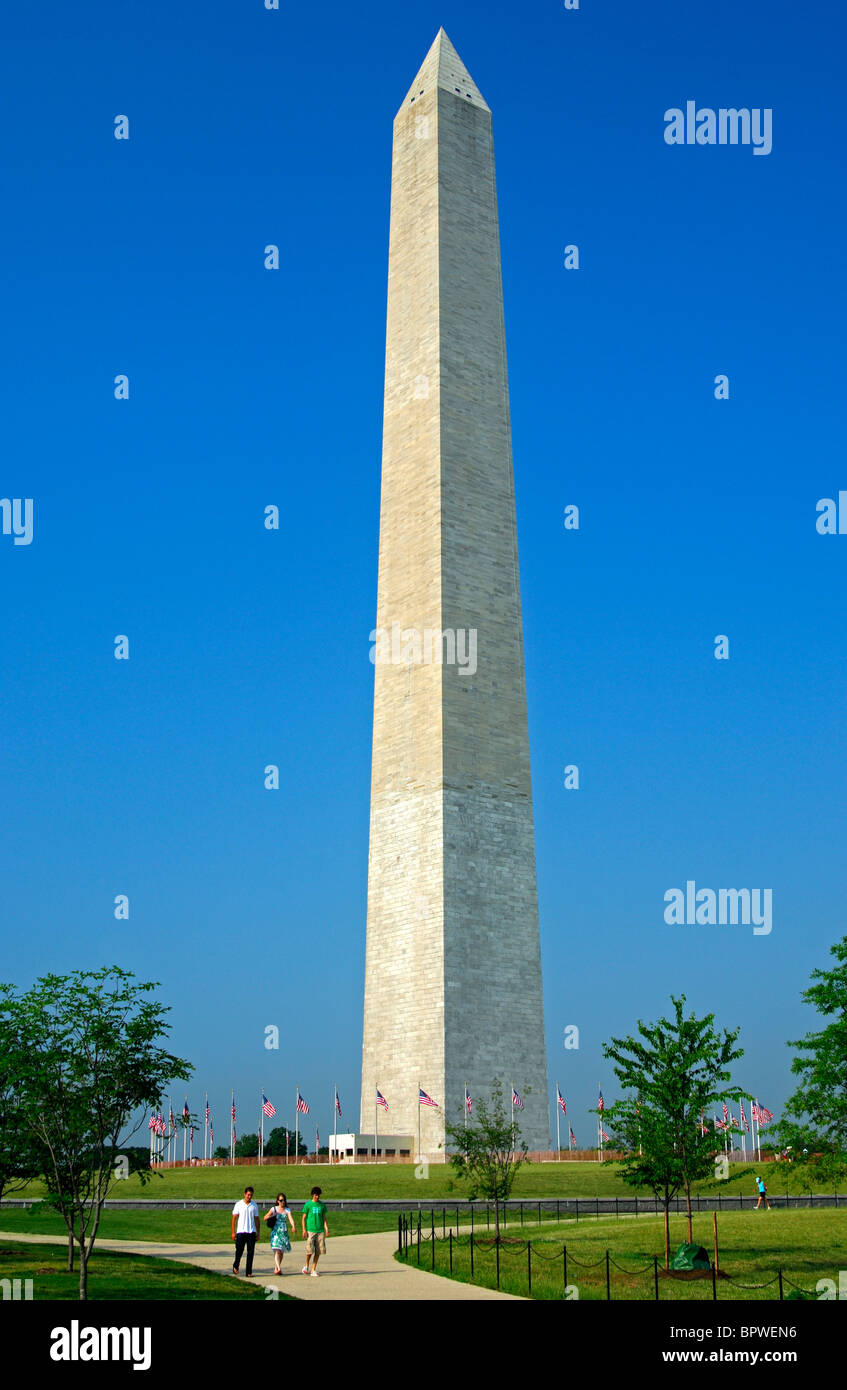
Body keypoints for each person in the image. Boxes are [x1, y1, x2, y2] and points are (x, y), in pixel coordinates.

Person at [301, 1185, 329, 1277]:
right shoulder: (308, 1204)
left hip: (320, 1230)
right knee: (309, 1250)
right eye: (316, 1195)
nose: (317, 1197)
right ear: (313, 1195)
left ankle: (313, 1270)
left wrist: (326, 1229)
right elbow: (304, 1218)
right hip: (311, 1230)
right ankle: (306, 1265)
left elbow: (324, 1218)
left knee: (319, 1251)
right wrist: (304, 1229)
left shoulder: (322, 1205)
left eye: (319, 1195)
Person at [231, 1185, 260, 1276]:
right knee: (239, 1250)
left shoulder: (254, 1205)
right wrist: (233, 1232)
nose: (249, 1197)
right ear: (244, 1194)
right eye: (248, 1195)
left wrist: (258, 1232)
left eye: (251, 1195)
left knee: (250, 1252)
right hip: (241, 1232)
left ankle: (249, 1272)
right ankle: (236, 1265)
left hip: (251, 1232)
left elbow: (257, 1219)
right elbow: (234, 1219)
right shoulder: (239, 1204)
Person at [265, 1191, 296, 1274]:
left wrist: (293, 1226)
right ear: (277, 1201)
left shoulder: (287, 1210)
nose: (283, 1202)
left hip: (283, 1232)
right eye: (281, 1200)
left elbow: (290, 1219)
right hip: (276, 1232)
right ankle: (279, 1268)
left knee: (281, 1252)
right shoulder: (274, 1209)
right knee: (277, 1250)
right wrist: (273, 1215)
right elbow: (265, 1217)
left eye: (284, 1200)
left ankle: (276, 1268)